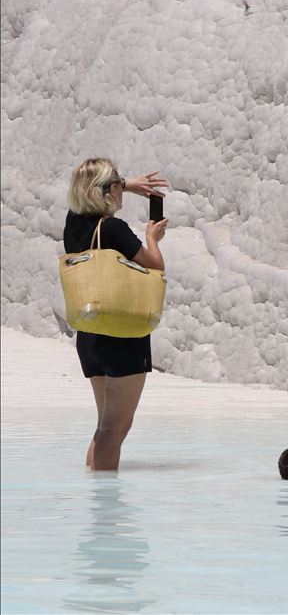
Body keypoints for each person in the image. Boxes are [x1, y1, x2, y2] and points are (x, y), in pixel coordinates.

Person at [64, 158, 168, 470]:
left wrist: (128, 184)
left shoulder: (75, 222)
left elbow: (91, 189)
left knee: (105, 426)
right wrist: (153, 238)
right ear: (108, 191)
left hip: (91, 335)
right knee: (115, 428)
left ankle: (94, 495)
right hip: (122, 336)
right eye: (117, 185)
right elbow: (155, 266)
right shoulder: (114, 229)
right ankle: (105, 511)